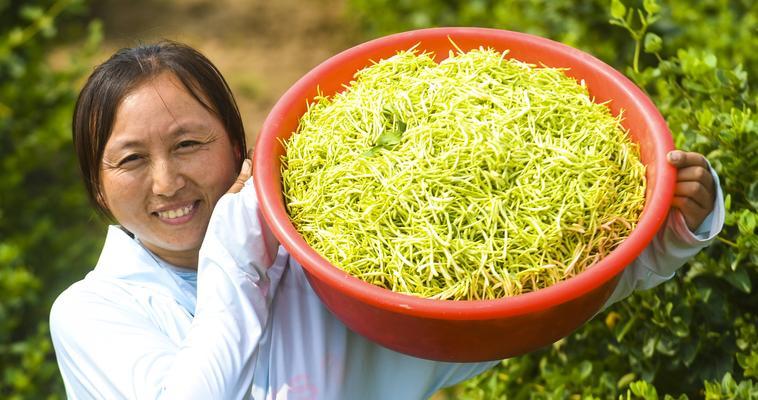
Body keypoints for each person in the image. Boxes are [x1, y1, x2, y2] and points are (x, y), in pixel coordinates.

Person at [50, 40, 724, 400]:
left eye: (189, 144)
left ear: (240, 147)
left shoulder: (332, 262)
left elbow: (530, 296)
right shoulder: (91, 313)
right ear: (98, 190)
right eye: (131, 160)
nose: (168, 182)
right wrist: (235, 246)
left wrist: (670, 235)